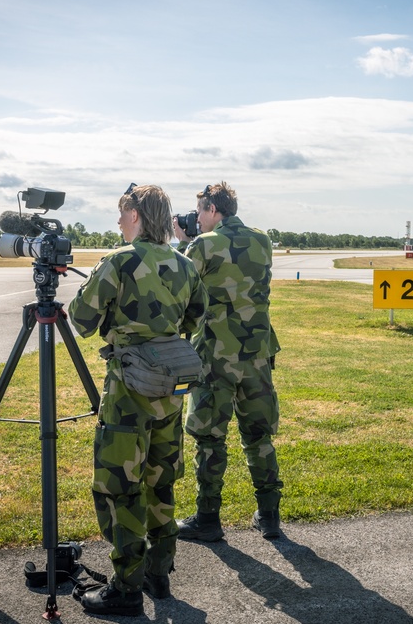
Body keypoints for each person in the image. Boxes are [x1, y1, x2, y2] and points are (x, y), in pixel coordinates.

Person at [67, 183, 208, 616]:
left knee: (119, 488)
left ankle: (126, 586)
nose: (117, 220)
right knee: (160, 481)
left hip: (129, 391)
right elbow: (196, 316)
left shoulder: (120, 261)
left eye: (122, 212)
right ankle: (158, 573)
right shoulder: (184, 265)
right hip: (169, 390)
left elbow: (80, 319)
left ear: (138, 216)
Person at [173, 181, 284, 541]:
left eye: (202, 212)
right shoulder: (262, 240)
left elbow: (181, 286)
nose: (199, 218)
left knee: (209, 438)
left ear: (212, 211)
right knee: (259, 435)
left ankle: (207, 518)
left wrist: (181, 242)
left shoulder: (204, 244)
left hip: (215, 356)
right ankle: (269, 515)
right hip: (256, 353)